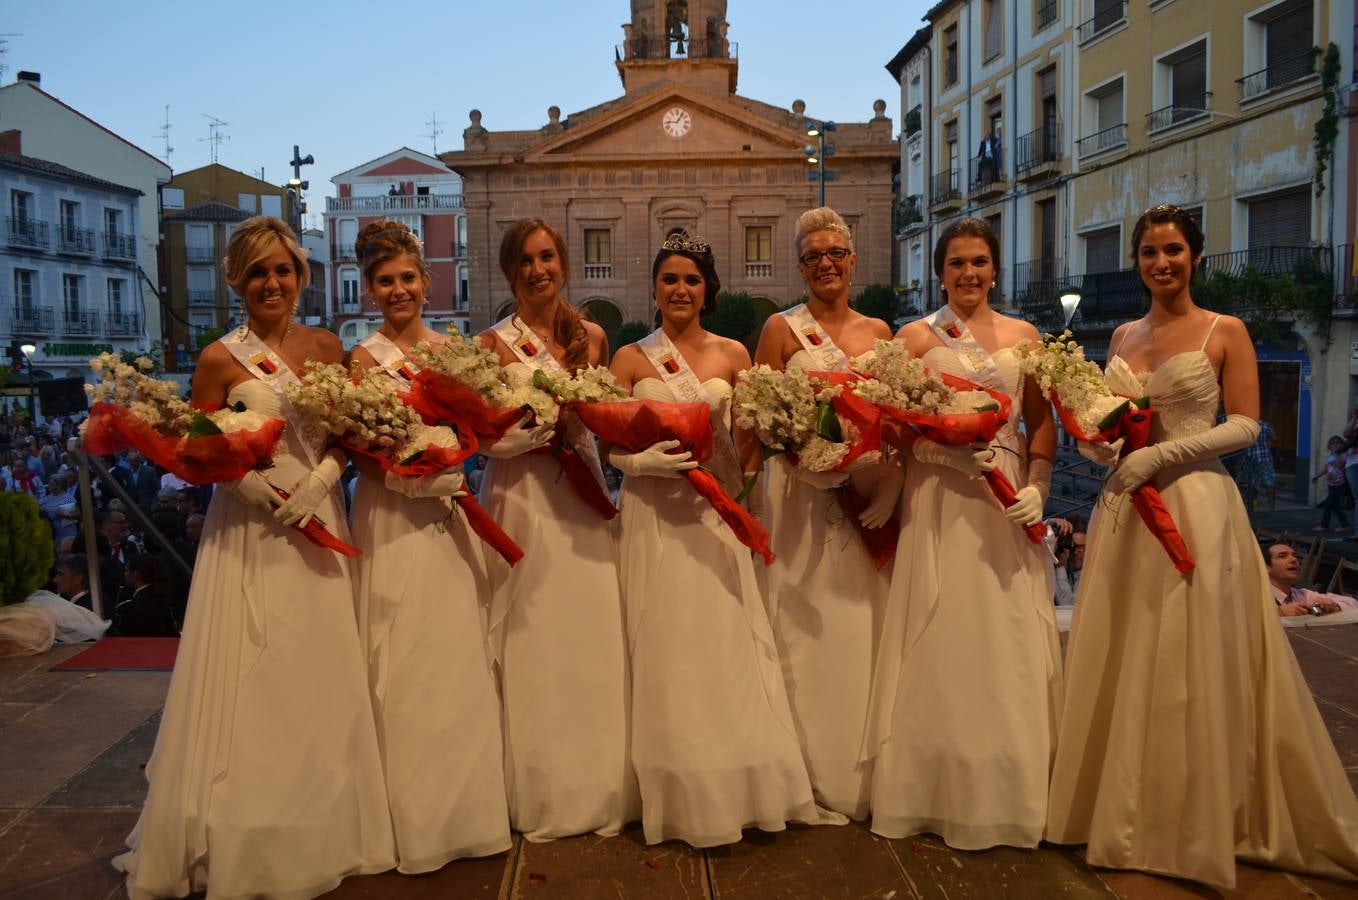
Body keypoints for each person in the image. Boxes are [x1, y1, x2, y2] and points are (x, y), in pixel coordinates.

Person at [1046, 203, 1358, 888]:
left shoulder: (1227, 330)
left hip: (1196, 506)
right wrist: (1099, 449)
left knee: (1190, 656)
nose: (1162, 262)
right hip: (1127, 512)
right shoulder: (1122, 334)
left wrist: (1161, 457)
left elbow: (1247, 425)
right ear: (1137, 262)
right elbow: (1105, 422)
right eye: (1150, 252)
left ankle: (1198, 817)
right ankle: (1123, 807)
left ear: (1196, 258)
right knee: (1129, 651)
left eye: (1174, 251)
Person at [114, 216, 394, 898]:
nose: (274, 283)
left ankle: (325, 820)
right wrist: (245, 484)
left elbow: (350, 436)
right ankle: (245, 821)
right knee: (254, 669)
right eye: (260, 272)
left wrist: (326, 479)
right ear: (238, 281)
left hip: (318, 515)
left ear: (301, 277)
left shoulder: (328, 346)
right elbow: (192, 448)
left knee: (318, 666)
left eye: (284, 270)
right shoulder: (218, 358)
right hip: (248, 528)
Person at [610, 232, 843, 846]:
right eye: (669, 279)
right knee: (662, 642)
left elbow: (754, 440)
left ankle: (736, 778)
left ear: (707, 289)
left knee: (721, 642)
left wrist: (747, 499)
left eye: (691, 279)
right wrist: (636, 467)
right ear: (654, 289)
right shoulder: (632, 359)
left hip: (717, 515)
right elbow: (604, 441)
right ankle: (669, 783)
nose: (680, 289)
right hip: (654, 515)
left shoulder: (737, 354)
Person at [860, 216, 1062, 849]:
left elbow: (1040, 423)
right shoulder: (916, 338)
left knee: (1001, 629)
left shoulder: (1026, 336)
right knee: (939, 625)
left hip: (1004, 496)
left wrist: (1039, 488)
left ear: (994, 268)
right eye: (956, 264)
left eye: (979, 262)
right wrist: (940, 457)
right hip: (941, 493)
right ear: (939, 272)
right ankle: (932, 785)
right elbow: (893, 427)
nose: (968, 274)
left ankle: (1009, 786)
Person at [345, 220, 511, 871]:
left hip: (445, 512)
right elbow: (356, 449)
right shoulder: (361, 362)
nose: (398, 290)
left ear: (428, 280)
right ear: (369, 290)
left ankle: (460, 810)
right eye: (385, 282)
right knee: (395, 653)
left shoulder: (453, 353)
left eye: (407, 278)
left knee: (448, 653)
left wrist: (454, 464)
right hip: (388, 515)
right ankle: (401, 814)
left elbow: (478, 431)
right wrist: (393, 475)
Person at [477, 217, 637, 840]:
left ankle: (599, 782)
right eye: (526, 261)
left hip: (583, 491)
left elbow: (605, 418)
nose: (539, 270)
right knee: (532, 630)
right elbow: (479, 434)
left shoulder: (590, 336)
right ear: (510, 271)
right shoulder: (492, 346)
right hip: (521, 492)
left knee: (590, 628)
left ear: (563, 262)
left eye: (548, 257)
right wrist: (508, 442)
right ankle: (540, 784)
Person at [751, 207, 899, 820]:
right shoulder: (781, 330)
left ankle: (859, 775)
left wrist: (891, 485)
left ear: (854, 260)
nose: (826, 263)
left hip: (864, 499)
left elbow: (895, 421)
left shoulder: (882, 333)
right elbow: (758, 416)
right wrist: (799, 464)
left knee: (859, 626)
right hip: (798, 500)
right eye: (813, 256)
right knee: (798, 623)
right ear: (801, 266)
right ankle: (802, 773)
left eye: (835, 252)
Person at [1265, 542, 1358, 616]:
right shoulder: (1257, 596)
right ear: (1266, 567)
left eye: (1295, 555)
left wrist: (1335, 607)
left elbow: (1353, 603)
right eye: (1282, 556)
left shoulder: (1302, 595)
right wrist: (1278, 613)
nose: (1293, 560)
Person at [110, 555, 179, 637]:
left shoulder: (128, 608)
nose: (125, 574)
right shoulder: (163, 601)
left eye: (126, 570)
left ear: (135, 574)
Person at [1313, 435, 1350, 532]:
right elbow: (1326, 469)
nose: (1335, 445)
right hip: (1331, 485)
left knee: (1328, 505)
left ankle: (1324, 525)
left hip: (1339, 485)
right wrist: (1317, 476)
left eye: (1338, 443)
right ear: (1329, 446)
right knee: (1335, 507)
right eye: (1332, 443)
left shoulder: (1343, 455)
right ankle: (1345, 525)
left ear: (1342, 445)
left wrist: (1337, 454)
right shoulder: (1330, 456)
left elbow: (1340, 466)